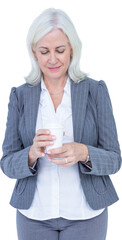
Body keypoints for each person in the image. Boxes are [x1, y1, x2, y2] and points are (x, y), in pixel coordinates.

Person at [0, 8, 121, 240]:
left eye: (60, 50)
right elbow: (6, 163)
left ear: (72, 50)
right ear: (34, 53)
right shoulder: (20, 96)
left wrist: (84, 152)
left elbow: (115, 160)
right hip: (33, 216)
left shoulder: (95, 91)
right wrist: (31, 154)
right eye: (44, 51)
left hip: (86, 215)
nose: (53, 59)